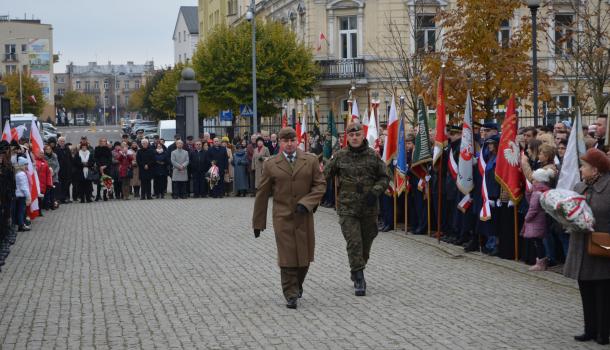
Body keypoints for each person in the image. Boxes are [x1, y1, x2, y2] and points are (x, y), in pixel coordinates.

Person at [252, 127, 326, 309]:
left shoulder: (310, 160)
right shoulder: (271, 164)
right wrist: (258, 223)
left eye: (292, 140)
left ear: (297, 141)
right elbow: (262, 194)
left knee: (305, 257)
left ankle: (297, 284)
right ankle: (290, 292)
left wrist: (307, 203)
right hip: (282, 217)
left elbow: (320, 185)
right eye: (285, 141)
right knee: (287, 257)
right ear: (280, 143)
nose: (289, 144)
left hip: (304, 216)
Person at [323, 122, 389, 296]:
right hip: (347, 208)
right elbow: (324, 177)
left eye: (357, 135)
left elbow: (385, 177)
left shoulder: (373, 156)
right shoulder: (339, 156)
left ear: (362, 135)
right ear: (347, 137)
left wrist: (375, 192)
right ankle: (359, 277)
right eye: (351, 135)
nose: (354, 138)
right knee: (354, 243)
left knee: (366, 243)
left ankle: (357, 268)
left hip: (369, 207)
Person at [564, 148, 610, 345]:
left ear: (596, 169)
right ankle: (589, 329)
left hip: (602, 248)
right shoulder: (579, 186)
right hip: (581, 247)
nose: (581, 170)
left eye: (584, 166)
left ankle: (603, 332)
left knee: (603, 293)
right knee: (586, 291)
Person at [521, 168, 553, 271]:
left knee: (537, 242)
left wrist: (527, 218)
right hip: (542, 219)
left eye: (534, 180)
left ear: (538, 180)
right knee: (540, 241)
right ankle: (542, 261)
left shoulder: (537, 193)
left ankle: (540, 263)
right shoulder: (544, 190)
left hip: (536, 221)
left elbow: (533, 208)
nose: (532, 181)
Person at [13, 157, 30, 231]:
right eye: (25, 164)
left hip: (17, 195)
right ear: (22, 165)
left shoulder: (17, 173)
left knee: (18, 210)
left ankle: (20, 224)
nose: (27, 166)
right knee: (21, 211)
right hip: (21, 195)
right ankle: (21, 225)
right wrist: (28, 196)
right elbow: (24, 187)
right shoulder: (22, 174)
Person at [55, 137, 73, 204]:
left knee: (67, 184)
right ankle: (61, 198)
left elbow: (70, 158)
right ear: (58, 142)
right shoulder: (57, 149)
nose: (62, 142)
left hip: (67, 170)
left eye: (63, 141)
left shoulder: (67, 149)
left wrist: (71, 167)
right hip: (60, 170)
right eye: (61, 141)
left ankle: (66, 197)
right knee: (61, 185)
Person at [43, 144, 60, 210]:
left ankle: (53, 204)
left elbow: (58, 166)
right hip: (47, 177)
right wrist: (48, 173)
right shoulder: (44, 157)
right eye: (47, 149)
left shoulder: (55, 156)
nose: (48, 150)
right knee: (47, 192)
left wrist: (54, 172)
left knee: (53, 191)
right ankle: (46, 205)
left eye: (49, 149)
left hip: (54, 177)